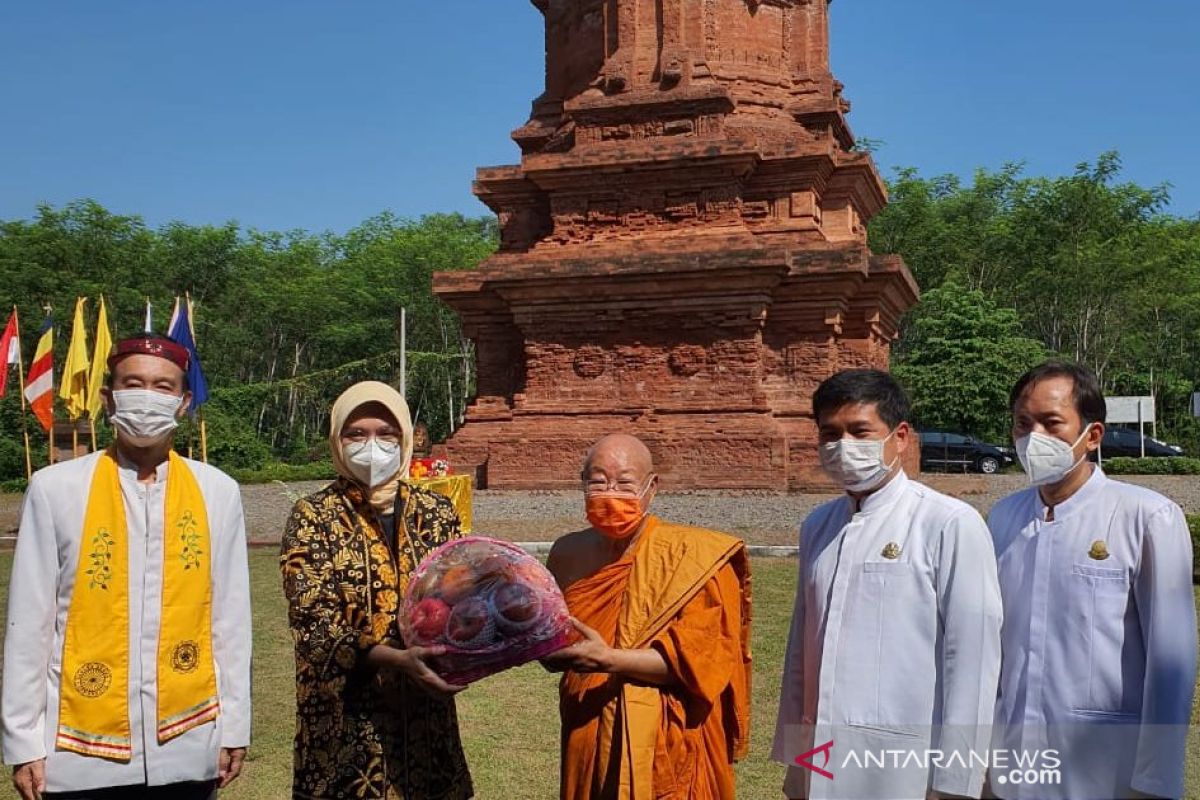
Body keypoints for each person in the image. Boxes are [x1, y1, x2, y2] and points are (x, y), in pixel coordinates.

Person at [2, 334, 252, 800]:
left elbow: (230, 623)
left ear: (183, 403)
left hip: (187, 738)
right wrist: (22, 740)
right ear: (107, 397)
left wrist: (234, 725)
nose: (146, 396)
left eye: (162, 386)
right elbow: (28, 625)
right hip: (77, 749)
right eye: (133, 383)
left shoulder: (217, 491)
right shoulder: (55, 489)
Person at [772, 369, 1003, 800]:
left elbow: (972, 659)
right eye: (830, 434)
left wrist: (956, 782)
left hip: (907, 758)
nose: (844, 447)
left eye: (860, 431)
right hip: (823, 750)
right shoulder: (818, 526)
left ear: (899, 438)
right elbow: (802, 650)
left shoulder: (947, 522)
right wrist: (797, 757)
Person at [988, 361, 1197, 799]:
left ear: (1093, 434)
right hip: (1013, 756)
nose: (1034, 438)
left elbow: (1171, 660)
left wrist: (1156, 780)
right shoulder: (1003, 518)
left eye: (1052, 423)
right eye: (1023, 424)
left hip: (1103, 764)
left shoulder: (1146, 517)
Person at [280, 381, 473, 800]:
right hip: (344, 728)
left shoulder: (436, 513)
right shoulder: (314, 515)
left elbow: (462, 596)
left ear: (405, 438)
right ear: (336, 440)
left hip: (428, 722)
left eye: (386, 434)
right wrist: (395, 658)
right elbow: (314, 624)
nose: (373, 446)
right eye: (356, 434)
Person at [543, 433, 751, 800]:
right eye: (597, 481)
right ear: (582, 485)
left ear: (651, 487)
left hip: (667, 736)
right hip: (586, 723)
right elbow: (552, 637)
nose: (610, 492)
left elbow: (702, 661)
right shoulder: (566, 553)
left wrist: (609, 659)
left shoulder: (694, 558)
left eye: (624, 482)